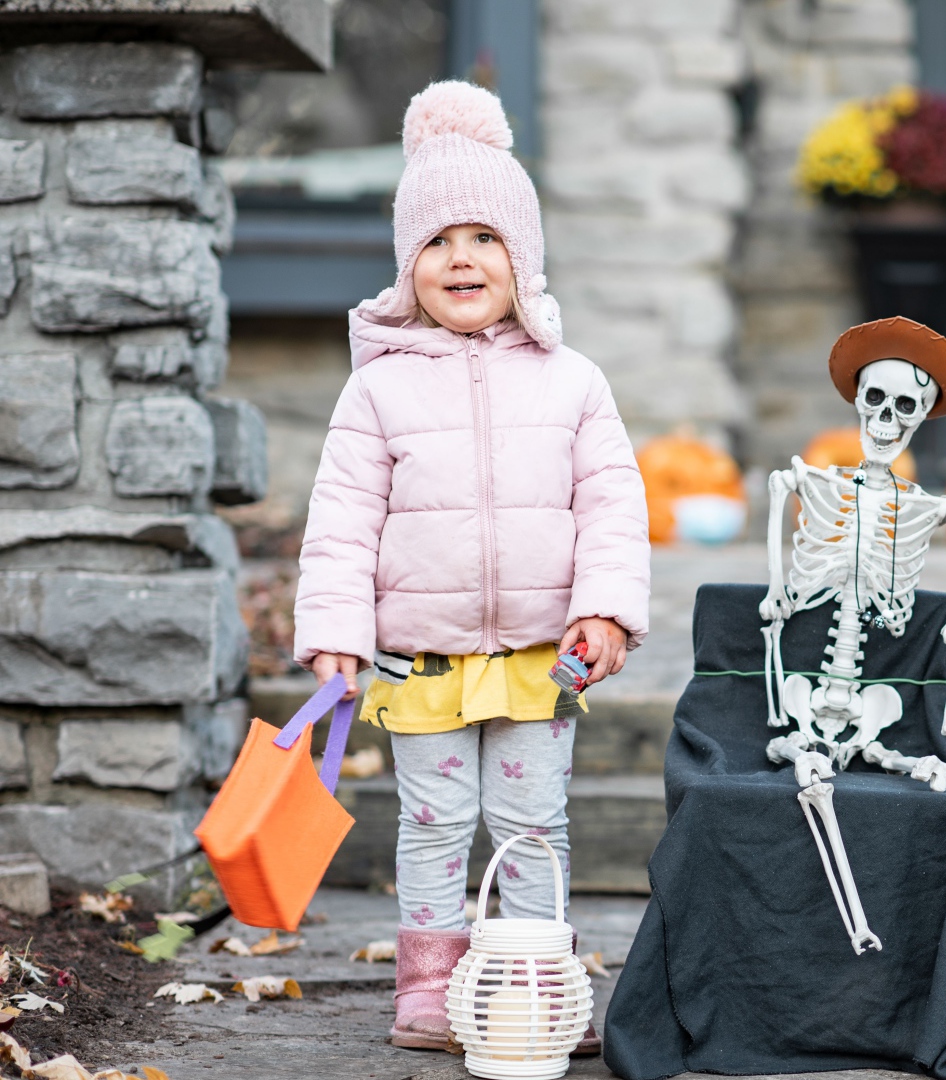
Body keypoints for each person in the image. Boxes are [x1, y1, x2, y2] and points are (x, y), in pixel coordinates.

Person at [294, 81, 649, 1054]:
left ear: (522, 259)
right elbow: (342, 518)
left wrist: (607, 611)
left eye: (486, 238)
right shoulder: (378, 389)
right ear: (410, 264)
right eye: (440, 239)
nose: (463, 257)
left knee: (534, 825)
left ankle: (536, 980)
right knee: (436, 819)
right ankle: (431, 985)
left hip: (544, 654)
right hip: (425, 657)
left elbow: (612, 503)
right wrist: (335, 632)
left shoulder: (574, 381)